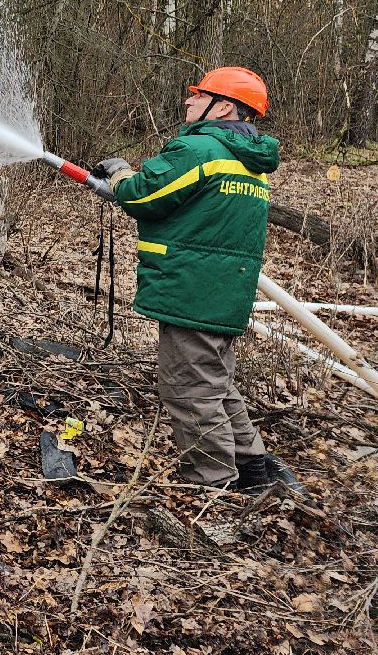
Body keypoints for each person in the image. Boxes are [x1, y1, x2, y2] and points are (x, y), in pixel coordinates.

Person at [94, 67, 297, 494]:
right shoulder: (249, 159)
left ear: (222, 106)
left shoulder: (201, 149)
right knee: (215, 385)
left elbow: (143, 196)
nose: (188, 102)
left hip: (192, 292)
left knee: (190, 391)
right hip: (224, 292)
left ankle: (214, 492)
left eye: (197, 96)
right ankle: (254, 470)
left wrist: (118, 175)